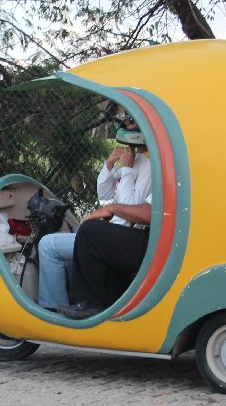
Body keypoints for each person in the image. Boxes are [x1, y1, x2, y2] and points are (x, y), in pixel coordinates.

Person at [36, 115, 152, 311]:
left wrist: (127, 170)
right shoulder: (134, 159)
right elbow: (104, 194)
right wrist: (110, 164)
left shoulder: (149, 165)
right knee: (80, 234)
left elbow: (130, 204)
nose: (124, 125)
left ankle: (52, 309)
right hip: (114, 229)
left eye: (131, 121)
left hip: (124, 232)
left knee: (48, 245)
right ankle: (65, 302)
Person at [58, 185, 154, 319]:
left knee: (89, 231)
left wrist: (111, 208)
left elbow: (151, 212)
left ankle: (90, 303)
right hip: (156, 238)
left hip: (158, 242)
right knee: (105, 239)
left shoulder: (174, 171)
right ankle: (112, 305)